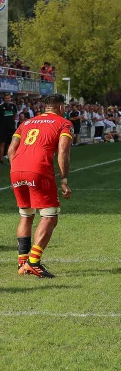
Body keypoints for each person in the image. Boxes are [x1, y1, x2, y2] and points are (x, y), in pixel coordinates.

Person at [7, 94, 73, 278]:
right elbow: (63, 151)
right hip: (39, 170)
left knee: (26, 215)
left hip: (16, 169)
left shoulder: (26, 123)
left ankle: (22, 262)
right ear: (60, 107)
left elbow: (11, 150)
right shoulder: (64, 123)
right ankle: (33, 262)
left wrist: (19, 170)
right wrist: (64, 180)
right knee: (50, 216)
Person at [0, 92, 18, 165]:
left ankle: (9, 160)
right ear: (4, 99)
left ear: (10, 98)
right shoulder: (1, 106)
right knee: (2, 144)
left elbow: (15, 116)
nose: (7, 99)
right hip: (2, 128)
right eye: (6, 98)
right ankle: (1, 160)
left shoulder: (13, 106)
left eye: (8, 98)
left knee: (10, 144)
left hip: (11, 128)